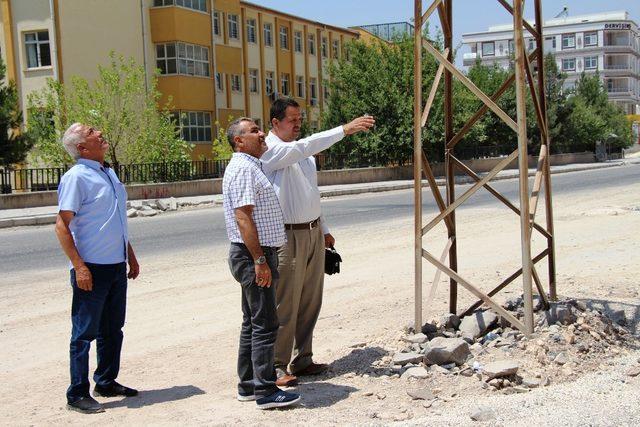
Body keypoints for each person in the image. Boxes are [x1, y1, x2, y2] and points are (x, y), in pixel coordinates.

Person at [261, 98, 374, 386]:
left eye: (300, 119)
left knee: (310, 299)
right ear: (275, 123)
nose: (297, 124)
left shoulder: (305, 155)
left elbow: (311, 193)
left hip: (310, 233)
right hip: (286, 236)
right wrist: (343, 130)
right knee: (286, 302)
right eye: (292, 120)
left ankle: (303, 359)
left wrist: (323, 229)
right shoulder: (271, 151)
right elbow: (304, 146)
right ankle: (276, 364)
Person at [55, 123, 140, 414]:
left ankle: (105, 381)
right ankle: (76, 393)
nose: (100, 132)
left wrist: (129, 254)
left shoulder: (108, 172)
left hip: (115, 264)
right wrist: (79, 267)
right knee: (83, 333)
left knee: (113, 329)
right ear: (81, 147)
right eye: (92, 131)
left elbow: (116, 220)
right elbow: (62, 226)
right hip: (91, 266)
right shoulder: (76, 177)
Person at [223, 117, 301, 410]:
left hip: (255, 254)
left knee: (252, 322)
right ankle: (265, 391)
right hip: (252, 255)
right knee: (266, 323)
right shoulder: (243, 168)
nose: (260, 134)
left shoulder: (252, 166)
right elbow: (244, 217)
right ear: (239, 141)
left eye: (259, 128)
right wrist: (259, 260)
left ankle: (247, 385)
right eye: (253, 131)